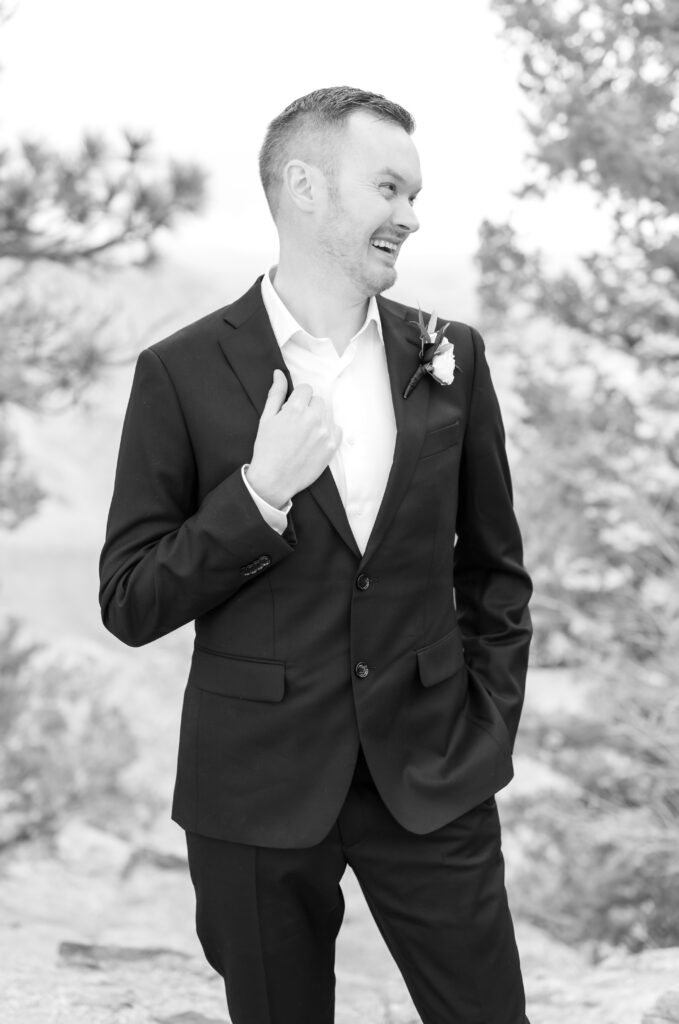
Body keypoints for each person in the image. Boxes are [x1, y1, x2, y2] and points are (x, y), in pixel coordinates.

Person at [99, 86, 533, 1024]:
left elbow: (494, 572)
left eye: (414, 195)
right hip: (253, 790)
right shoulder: (178, 372)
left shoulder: (450, 355)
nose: (410, 217)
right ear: (304, 186)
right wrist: (258, 497)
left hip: (431, 773)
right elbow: (131, 598)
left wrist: (488, 730)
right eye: (388, 188)